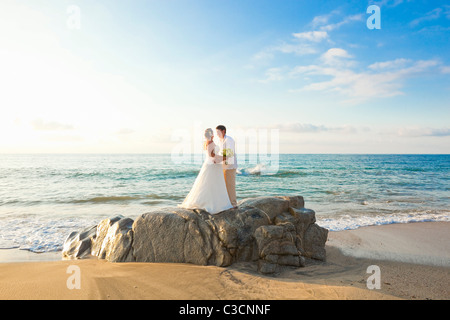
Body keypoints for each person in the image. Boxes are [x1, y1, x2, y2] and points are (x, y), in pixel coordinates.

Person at [178, 128, 234, 214]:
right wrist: (224, 158)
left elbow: (213, 155)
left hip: (213, 165)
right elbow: (212, 156)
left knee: (212, 184)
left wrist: (222, 158)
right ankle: (212, 203)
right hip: (212, 165)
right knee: (211, 184)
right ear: (212, 135)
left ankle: (215, 202)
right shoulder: (210, 142)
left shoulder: (207, 142)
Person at [215, 125, 238, 208]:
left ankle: (233, 204)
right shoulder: (219, 141)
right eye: (216, 132)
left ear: (223, 131)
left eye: (218, 132)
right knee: (223, 185)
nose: (217, 134)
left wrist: (218, 159)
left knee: (230, 185)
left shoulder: (229, 140)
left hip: (230, 166)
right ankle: (226, 203)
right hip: (222, 166)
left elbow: (228, 153)